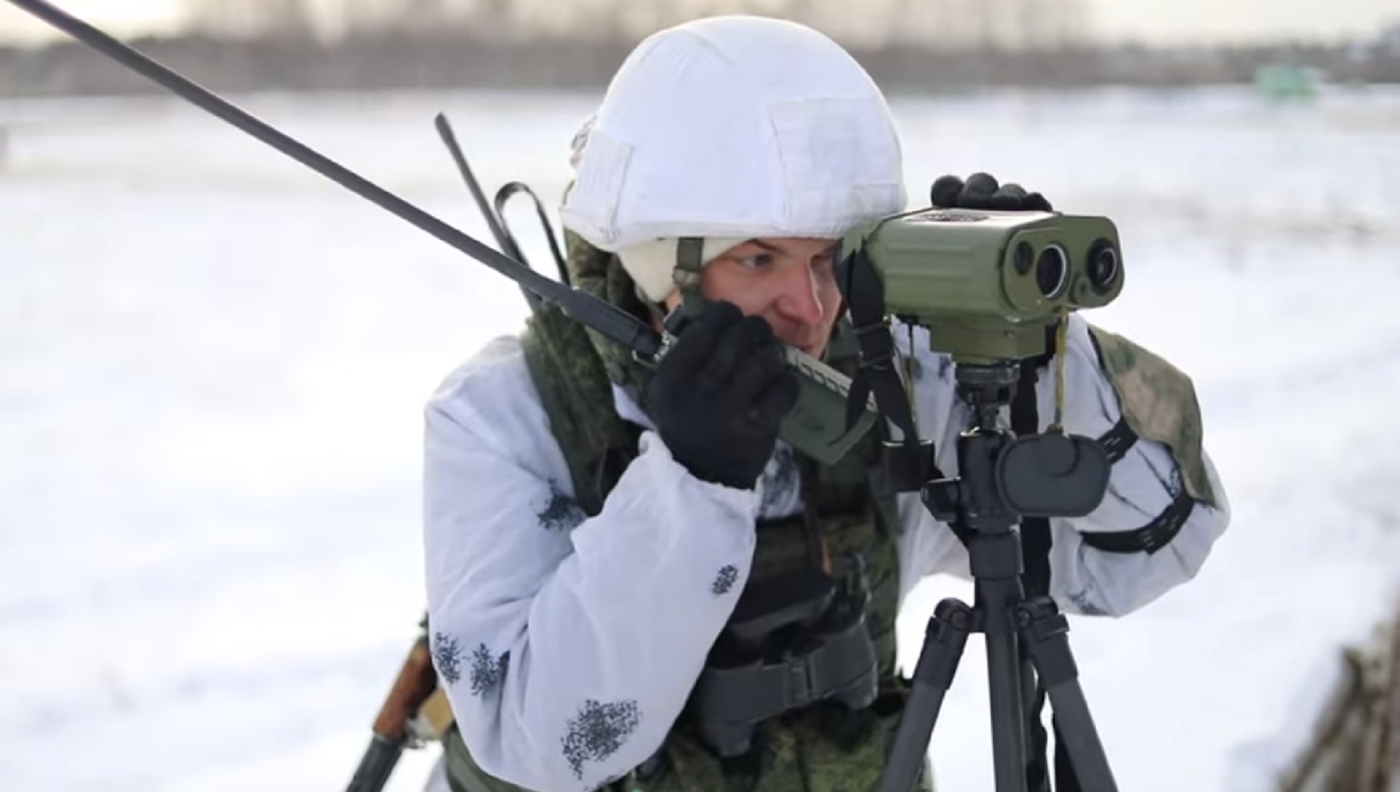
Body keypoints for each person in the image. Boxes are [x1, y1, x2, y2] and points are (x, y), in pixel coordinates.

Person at [418, 14, 1230, 792]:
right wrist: (689, 490)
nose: (809, 309)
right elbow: (540, 744)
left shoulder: (888, 384)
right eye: (759, 259)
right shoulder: (506, 414)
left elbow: (1148, 553)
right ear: (662, 265)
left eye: (830, 261)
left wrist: (1038, 346)